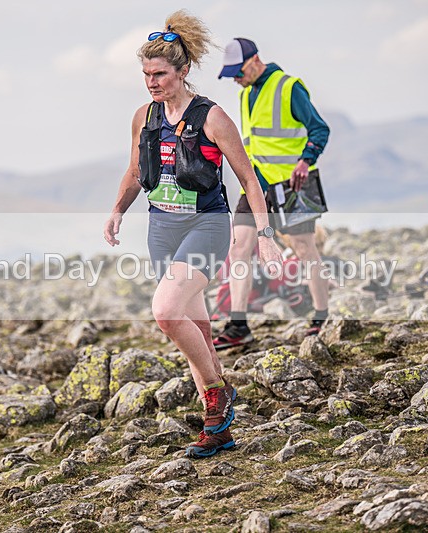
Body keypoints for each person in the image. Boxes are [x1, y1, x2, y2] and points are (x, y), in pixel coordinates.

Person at [103, 11, 281, 458]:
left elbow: (250, 180)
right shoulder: (144, 117)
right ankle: (217, 428)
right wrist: (118, 211)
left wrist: (264, 234)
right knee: (196, 329)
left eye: (160, 74)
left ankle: (218, 392)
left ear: (182, 71)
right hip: (161, 228)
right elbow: (134, 171)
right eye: (146, 74)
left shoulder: (212, 117)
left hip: (207, 226)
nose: (152, 82)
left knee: (165, 313)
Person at [214, 38, 331, 348]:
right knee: (239, 248)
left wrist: (306, 161)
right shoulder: (245, 94)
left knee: (305, 249)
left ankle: (321, 315)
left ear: (254, 60)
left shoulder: (289, 87)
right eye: (231, 76)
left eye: (238, 73)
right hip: (255, 184)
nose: (236, 80)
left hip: (292, 184)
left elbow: (320, 129)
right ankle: (238, 325)